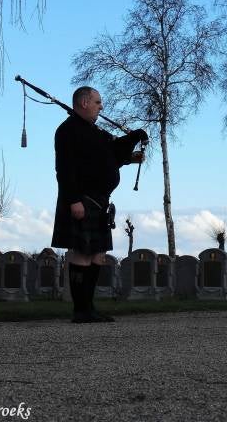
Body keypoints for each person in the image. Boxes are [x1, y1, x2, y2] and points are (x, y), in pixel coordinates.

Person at [51, 86, 146, 323]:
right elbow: (64, 169)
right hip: (81, 200)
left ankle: (89, 308)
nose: (100, 107)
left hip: (100, 202)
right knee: (82, 254)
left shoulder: (95, 132)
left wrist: (134, 137)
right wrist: (74, 200)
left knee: (97, 256)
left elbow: (114, 154)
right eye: (97, 102)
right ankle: (80, 310)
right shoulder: (67, 131)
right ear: (84, 102)